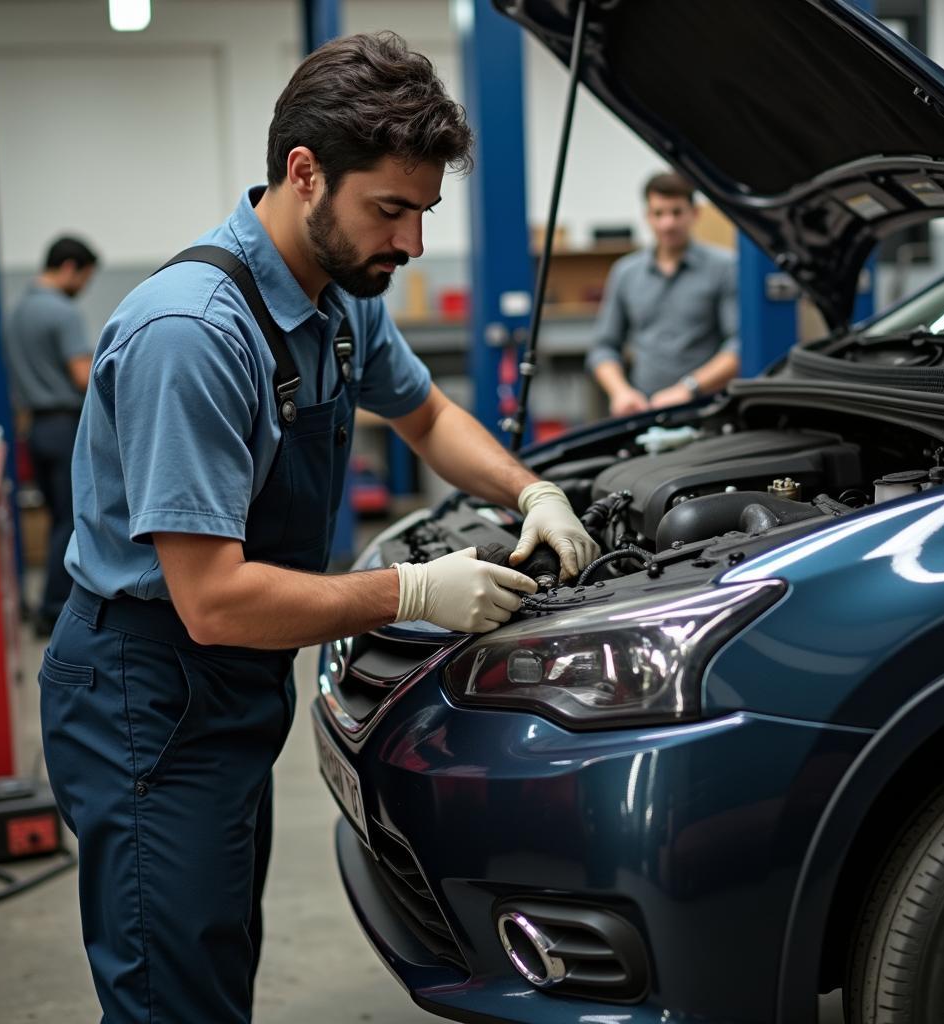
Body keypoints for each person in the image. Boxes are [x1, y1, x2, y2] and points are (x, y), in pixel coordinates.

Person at [39, 32, 598, 1023]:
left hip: (229, 683)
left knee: (211, 959)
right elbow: (212, 601)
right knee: (173, 992)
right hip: (149, 690)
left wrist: (533, 493)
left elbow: (424, 414)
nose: (413, 244)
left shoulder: (336, 298)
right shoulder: (195, 336)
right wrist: (414, 591)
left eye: (423, 212)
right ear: (305, 174)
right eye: (391, 209)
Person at [4, 235, 98, 636]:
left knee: (56, 517)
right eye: (85, 279)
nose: (83, 289)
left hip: (34, 429)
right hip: (65, 427)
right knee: (71, 521)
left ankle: (48, 602)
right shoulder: (63, 313)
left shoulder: (18, 311)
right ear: (69, 268)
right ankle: (54, 609)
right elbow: (82, 376)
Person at [587, 172, 740, 416]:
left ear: (695, 213)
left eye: (676, 212)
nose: (667, 223)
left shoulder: (725, 267)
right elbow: (604, 347)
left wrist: (688, 388)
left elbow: (738, 345)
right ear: (647, 216)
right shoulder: (626, 273)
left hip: (707, 408)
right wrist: (621, 392)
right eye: (659, 213)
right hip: (644, 410)